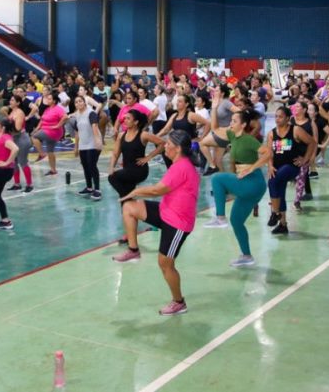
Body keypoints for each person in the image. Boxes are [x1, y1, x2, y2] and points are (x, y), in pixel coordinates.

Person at [112, 130, 200, 316]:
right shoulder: (178, 163)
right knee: (129, 208)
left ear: (177, 149)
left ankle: (179, 302)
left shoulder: (182, 167)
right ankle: (133, 251)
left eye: (168, 144)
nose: (164, 146)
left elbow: (157, 190)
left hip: (178, 223)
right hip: (165, 211)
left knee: (165, 264)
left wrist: (136, 191)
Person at [205, 108, 269, 267]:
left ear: (243, 124)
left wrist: (252, 168)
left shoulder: (249, 140)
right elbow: (215, 129)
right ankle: (247, 256)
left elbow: (268, 153)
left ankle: (220, 218)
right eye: (231, 121)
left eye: (234, 121)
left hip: (253, 183)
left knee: (218, 177)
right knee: (236, 220)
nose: (230, 123)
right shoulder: (232, 136)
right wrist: (214, 107)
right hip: (248, 186)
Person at [108, 110, 166, 243]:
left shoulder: (143, 135)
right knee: (125, 204)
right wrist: (111, 167)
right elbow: (115, 153)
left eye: (128, 118)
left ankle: (128, 198)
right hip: (127, 172)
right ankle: (129, 235)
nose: (125, 120)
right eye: (125, 118)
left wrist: (149, 157)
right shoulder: (121, 135)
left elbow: (163, 143)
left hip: (139, 171)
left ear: (136, 122)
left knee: (113, 179)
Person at [266, 106, 315, 235]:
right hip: (277, 166)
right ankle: (283, 225)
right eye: (276, 116)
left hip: (291, 166)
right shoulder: (271, 134)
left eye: (280, 116)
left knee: (272, 182)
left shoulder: (295, 130)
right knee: (279, 192)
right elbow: (269, 153)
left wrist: (305, 159)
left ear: (288, 118)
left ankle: (274, 213)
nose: (277, 119)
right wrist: (270, 166)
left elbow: (312, 142)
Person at [72, 95, 104, 200]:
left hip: (92, 144)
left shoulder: (91, 113)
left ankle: (98, 190)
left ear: (85, 102)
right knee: (85, 166)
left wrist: (97, 141)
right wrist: (76, 147)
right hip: (83, 145)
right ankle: (89, 188)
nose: (78, 103)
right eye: (76, 102)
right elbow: (77, 132)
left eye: (80, 101)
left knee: (92, 165)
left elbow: (94, 127)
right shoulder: (77, 115)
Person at [31, 91, 68, 175]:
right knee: (50, 151)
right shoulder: (47, 109)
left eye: (49, 99)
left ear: (54, 101)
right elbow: (42, 120)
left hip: (53, 131)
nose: (47, 100)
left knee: (34, 137)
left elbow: (65, 117)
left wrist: (58, 125)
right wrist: (37, 128)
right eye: (47, 98)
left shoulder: (58, 109)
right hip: (47, 130)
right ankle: (53, 170)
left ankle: (41, 154)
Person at [6, 94, 34, 193]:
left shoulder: (19, 113)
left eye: (13, 100)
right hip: (14, 139)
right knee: (14, 163)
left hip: (21, 139)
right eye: (10, 100)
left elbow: (17, 129)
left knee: (23, 162)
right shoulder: (12, 112)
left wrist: (6, 128)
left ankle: (29, 184)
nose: (10, 101)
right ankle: (17, 184)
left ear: (18, 103)